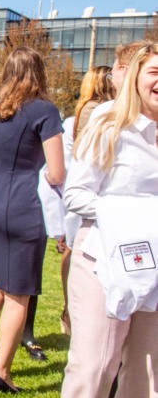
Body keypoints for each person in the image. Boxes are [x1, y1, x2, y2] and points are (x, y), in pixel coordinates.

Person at [59, 42, 158, 398]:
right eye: (155, 73)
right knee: (96, 367)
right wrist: (140, 217)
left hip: (155, 268)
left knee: (149, 375)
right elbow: (76, 195)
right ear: (135, 77)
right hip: (102, 261)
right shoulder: (109, 121)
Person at [0, 46, 65, 394]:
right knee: (19, 294)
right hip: (23, 205)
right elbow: (57, 172)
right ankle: (2, 371)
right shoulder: (44, 111)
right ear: (40, 72)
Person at [57, 65, 114, 334]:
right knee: (78, 248)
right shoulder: (98, 110)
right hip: (90, 187)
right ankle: (73, 310)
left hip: (81, 183)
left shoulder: (83, 109)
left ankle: (71, 309)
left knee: (73, 247)